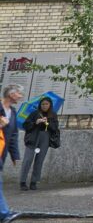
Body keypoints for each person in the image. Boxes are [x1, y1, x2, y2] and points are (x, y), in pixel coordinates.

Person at [20, 96, 59, 191]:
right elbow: (25, 125)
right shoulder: (34, 113)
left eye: (46, 104)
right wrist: (35, 122)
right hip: (33, 138)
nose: (44, 106)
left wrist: (48, 123)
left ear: (50, 105)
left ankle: (34, 182)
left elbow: (55, 128)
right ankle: (22, 182)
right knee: (27, 160)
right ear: (40, 105)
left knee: (39, 160)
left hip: (45, 139)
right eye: (42, 104)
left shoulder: (53, 115)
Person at [0, 85, 22, 222]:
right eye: (19, 93)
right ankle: (4, 214)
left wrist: (15, 156)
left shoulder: (13, 112)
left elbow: (13, 135)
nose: (20, 96)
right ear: (10, 94)